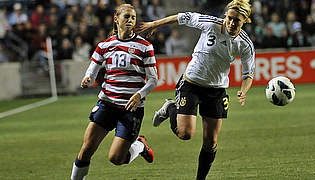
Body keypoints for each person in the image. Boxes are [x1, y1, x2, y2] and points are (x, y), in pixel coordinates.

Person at [136, 0, 255, 179]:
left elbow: (249, 74)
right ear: (226, 15)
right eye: (229, 18)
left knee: (211, 142)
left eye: (236, 20)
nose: (231, 23)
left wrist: (243, 91)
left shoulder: (245, 44)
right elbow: (181, 17)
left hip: (216, 91)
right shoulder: (209, 24)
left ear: (244, 20)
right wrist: (154, 24)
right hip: (191, 84)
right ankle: (170, 108)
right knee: (185, 134)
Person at [70, 4, 158, 180]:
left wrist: (139, 94)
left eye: (133, 17)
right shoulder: (105, 45)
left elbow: (154, 79)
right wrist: (88, 78)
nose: (130, 20)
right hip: (107, 104)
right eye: (126, 16)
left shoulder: (145, 47)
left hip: (130, 109)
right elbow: (93, 69)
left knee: (116, 159)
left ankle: (140, 145)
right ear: (116, 19)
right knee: (87, 148)